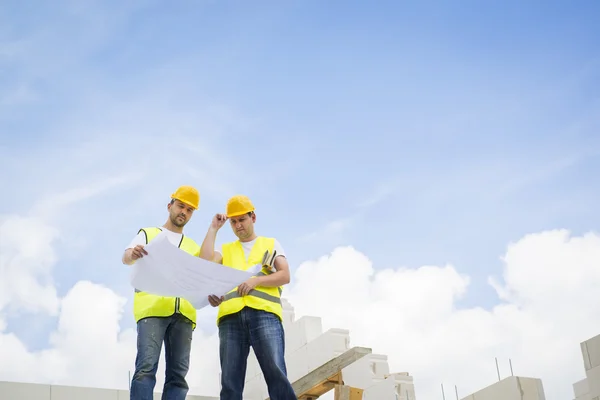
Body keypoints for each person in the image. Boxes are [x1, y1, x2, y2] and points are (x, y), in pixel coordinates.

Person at [199, 194, 297, 400]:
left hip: (264, 316)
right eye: (233, 222)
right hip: (230, 319)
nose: (237, 226)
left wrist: (256, 281)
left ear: (253, 218)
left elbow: (285, 275)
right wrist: (214, 228)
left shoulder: (270, 243)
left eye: (242, 220)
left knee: (276, 374)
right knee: (230, 383)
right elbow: (204, 263)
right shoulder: (225, 249)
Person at [122, 185, 202, 400]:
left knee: (178, 377)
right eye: (180, 206)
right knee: (146, 369)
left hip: (184, 315)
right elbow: (126, 257)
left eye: (189, 209)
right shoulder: (149, 234)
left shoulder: (193, 247)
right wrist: (134, 254)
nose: (183, 212)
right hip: (153, 311)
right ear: (170, 206)